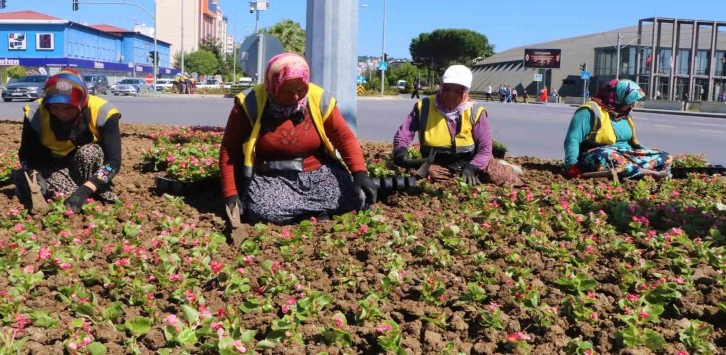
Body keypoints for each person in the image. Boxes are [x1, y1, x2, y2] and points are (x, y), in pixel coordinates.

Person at [220, 53, 378, 225]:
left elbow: (344, 137)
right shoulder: (250, 103)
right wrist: (231, 193)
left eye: (301, 90)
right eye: (288, 92)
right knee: (264, 211)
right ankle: (318, 214)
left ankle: (310, 214)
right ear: (273, 85)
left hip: (318, 174)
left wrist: (360, 173)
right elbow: (230, 149)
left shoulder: (319, 98)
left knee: (355, 198)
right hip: (272, 178)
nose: (296, 97)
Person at [392, 65, 522, 186]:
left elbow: (485, 149)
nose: (451, 96)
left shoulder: (475, 112)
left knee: (505, 178)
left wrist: (471, 168)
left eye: (458, 91)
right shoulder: (424, 107)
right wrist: (401, 153)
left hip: (472, 161)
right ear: (441, 86)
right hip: (437, 162)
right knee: (435, 180)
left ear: (466, 91)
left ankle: (504, 166)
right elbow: (403, 135)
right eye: (447, 89)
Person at [12, 70, 122, 212]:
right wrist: (34, 174)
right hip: (55, 167)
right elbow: (25, 155)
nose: (62, 113)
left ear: (82, 103)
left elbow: (113, 163)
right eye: (55, 108)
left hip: (88, 168)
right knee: (25, 178)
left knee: (90, 152)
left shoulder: (103, 112)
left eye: (68, 108)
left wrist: (85, 190)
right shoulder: (35, 113)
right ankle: (74, 194)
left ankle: (92, 189)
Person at [564, 79, 671, 180]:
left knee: (665, 157)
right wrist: (572, 166)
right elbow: (573, 139)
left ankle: (635, 170)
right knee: (607, 157)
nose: (633, 104)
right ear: (619, 96)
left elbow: (632, 143)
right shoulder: (590, 111)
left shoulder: (626, 113)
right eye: (630, 100)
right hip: (600, 154)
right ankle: (646, 172)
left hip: (626, 154)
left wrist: (646, 152)